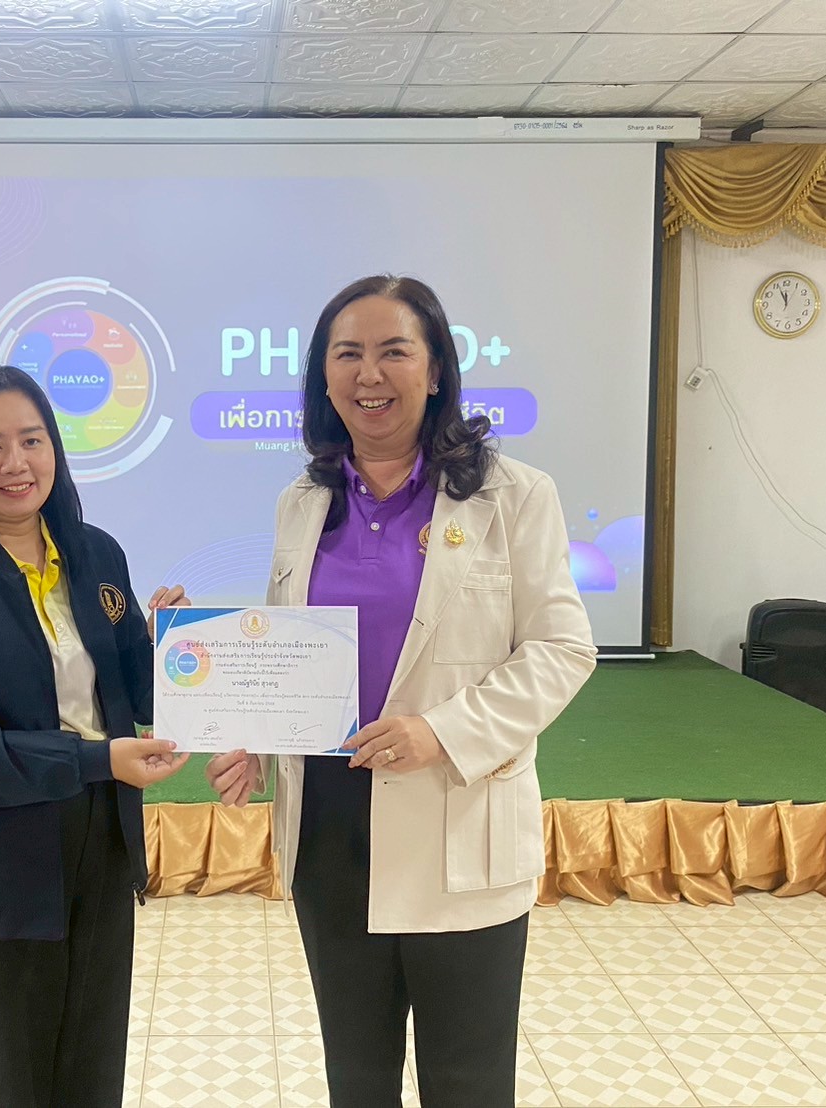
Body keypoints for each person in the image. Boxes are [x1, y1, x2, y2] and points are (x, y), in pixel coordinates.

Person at [207, 276, 597, 1107]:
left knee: (466, 1082)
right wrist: (256, 733)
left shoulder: (514, 496)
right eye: (346, 354)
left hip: (455, 815)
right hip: (331, 832)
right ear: (322, 377)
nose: (369, 374)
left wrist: (443, 731)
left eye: (394, 351)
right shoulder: (301, 503)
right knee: (356, 1078)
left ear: (435, 368)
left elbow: (562, 649)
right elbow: (295, 653)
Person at [0, 364, 190, 1108]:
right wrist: (96, 759)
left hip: (103, 843)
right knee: (2, 1078)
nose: (15, 463)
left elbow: (135, 691)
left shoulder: (94, 553)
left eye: (32, 440)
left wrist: (176, 647)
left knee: (90, 1065)